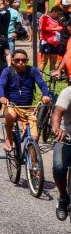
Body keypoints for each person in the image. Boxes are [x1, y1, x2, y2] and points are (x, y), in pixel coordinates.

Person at [0, 49, 50, 153]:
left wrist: (45, 95)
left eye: (23, 60)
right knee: (10, 116)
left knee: (34, 138)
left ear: (27, 60)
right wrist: (2, 97)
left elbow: (42, 84)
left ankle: (34, 167)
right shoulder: (7, 71)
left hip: (28, 108)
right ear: (12, 60)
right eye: (17, 60)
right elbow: (1, 85)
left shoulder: (32, 70)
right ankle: (9, 139)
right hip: (11, 105)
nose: (20, 62)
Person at [51, 84, 71, 221]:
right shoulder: (67, 92)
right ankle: (63, 197)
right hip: (66, 136)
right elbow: (57, 113)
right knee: (59, 167)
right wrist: (56, 128)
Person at [39, 5, 65, 73]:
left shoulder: (58, 19)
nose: (58, 16)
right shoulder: (45, 18)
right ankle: (39, 77)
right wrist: (54, 29)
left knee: (53, 61)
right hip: (46, 42)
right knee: (44, 61)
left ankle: (52, 78)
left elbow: (62, 27)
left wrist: (60, 27)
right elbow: (43, 29)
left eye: (60, 14)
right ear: (53, 12)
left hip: (55, 43)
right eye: (58, 14)